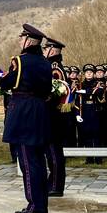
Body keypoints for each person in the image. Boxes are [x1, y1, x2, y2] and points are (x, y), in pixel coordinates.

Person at [0, 24, 52, 213]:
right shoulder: (46, 63)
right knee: (38, 160)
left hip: (24, 112)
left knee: (28, 163)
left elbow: (7, 82)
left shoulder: (20, 61)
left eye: (22, 38)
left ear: (29, 41)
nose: (20, 41)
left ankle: (35, 206)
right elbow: (47, 90)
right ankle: (41, 204)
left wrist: (1, 80)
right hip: (40, 111)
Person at [43, 37, 68, 196]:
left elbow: (55, 91)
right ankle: (53, 182)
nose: (44, 51)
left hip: (53, 115)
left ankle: (56, 185)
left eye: (46, 49)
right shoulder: (54, 66)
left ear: (52, 50)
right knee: (51, 151)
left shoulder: (54, 68)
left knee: (54, 152)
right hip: (52, 115)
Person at [76, 64, 105, 163]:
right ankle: (89, 158)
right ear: (84, 74)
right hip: (84, 112)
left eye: (91, 72)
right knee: (86, 136)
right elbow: (76, 101)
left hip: (95, 112)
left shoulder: (99, 83)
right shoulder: (80, 84)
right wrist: (77, 114)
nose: (88, 74)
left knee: (97, 136)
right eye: (87, 72)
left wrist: (85, 91)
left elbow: (99, 91)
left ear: (93, 74)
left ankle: (98, 158)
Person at [64, 65, 81, 148]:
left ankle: (74, 146)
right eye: (71, 73)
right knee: (67, 128)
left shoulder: (79, 82)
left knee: (75, 128)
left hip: (76, 107)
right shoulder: (65, 82)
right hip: (67, 108)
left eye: (75, 73)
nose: (73, 75)